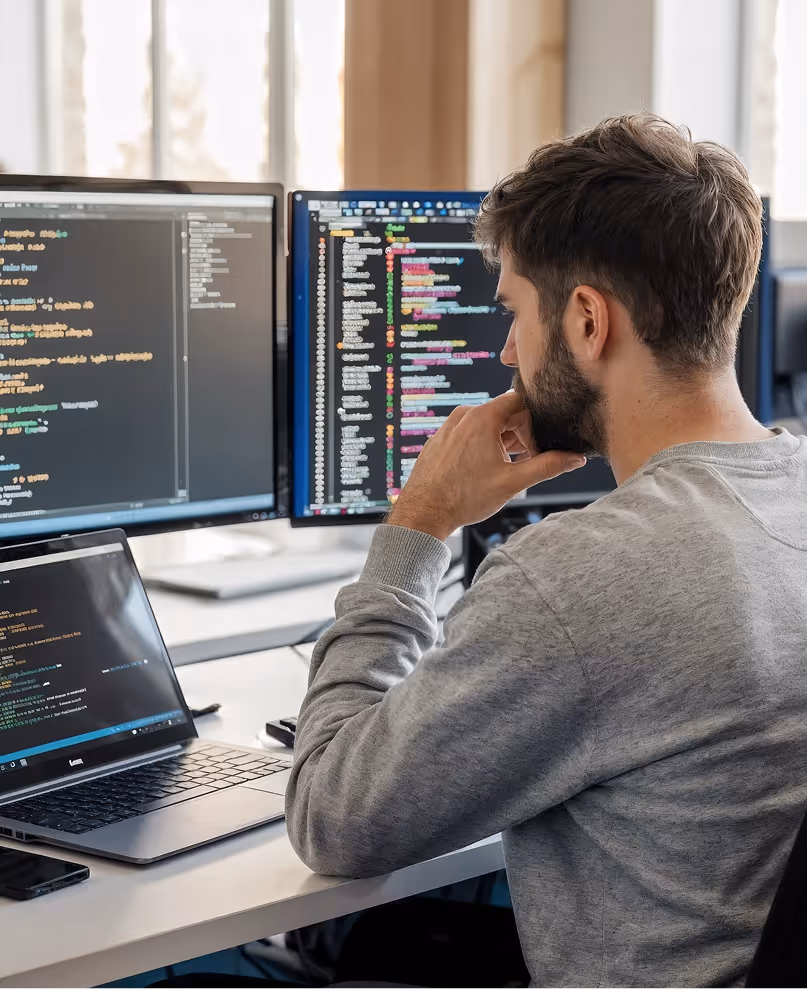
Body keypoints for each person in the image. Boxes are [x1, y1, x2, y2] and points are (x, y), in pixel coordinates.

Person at [284, 114, 807, 989]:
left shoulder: (583, 577)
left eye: (514, 312)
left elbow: (334, 819)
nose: (505, 351)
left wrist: (419, 523)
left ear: (588, 319)